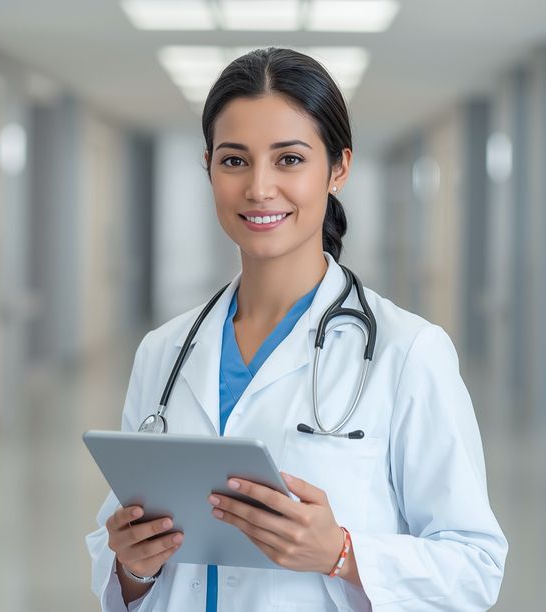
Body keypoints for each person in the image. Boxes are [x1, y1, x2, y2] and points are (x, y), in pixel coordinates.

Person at [86, 47, 507, 611]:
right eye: (235, 160)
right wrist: (131, 565)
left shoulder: (408, 352)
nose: (259, 188)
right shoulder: (164, 352)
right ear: (209, 166)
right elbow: (119, 555)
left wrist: (340, 552)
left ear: (338, 168)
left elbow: (475, 568)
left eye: (289, 160)